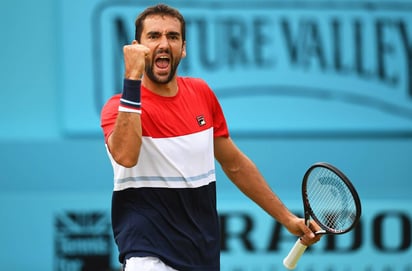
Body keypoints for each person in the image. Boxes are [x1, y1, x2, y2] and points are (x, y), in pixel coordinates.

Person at [100, 4, 320, 271]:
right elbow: (126, 156)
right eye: (154, 36)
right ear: (137, 47)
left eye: (172, 36)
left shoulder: (201, 93)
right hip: (149, 257)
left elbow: (234, 164)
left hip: (202, 257)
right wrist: (131, 78)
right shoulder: (119, 107)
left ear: (183, 48)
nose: (164, 43)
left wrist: (287, 219)